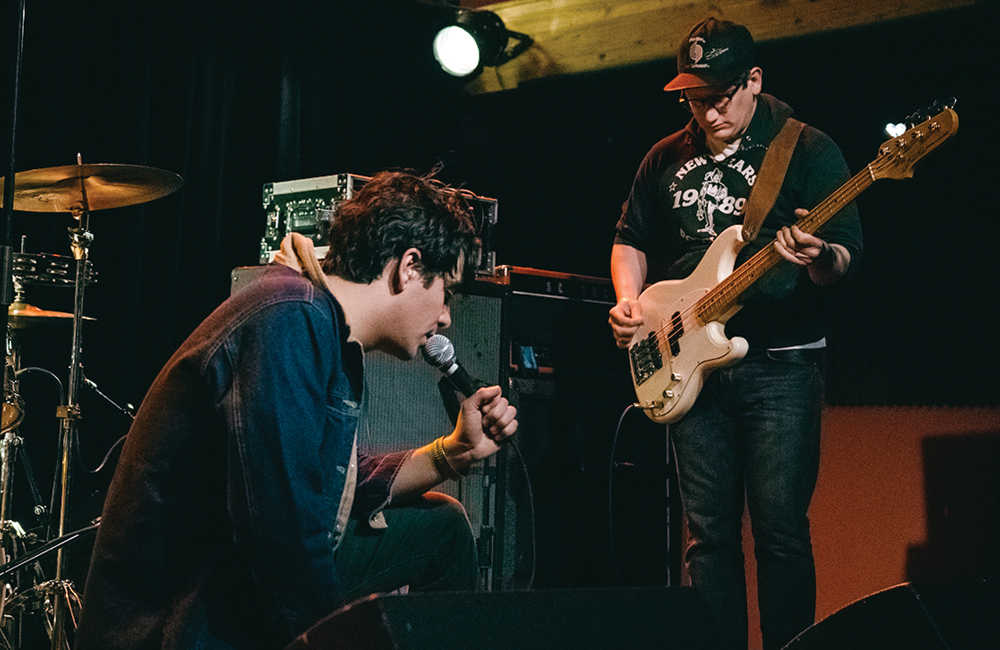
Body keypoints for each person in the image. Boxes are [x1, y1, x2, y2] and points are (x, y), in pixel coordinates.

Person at [76, 170, 518, 650]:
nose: (446, 316)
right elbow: (282, 533)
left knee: (442, 530)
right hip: (179, 622)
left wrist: (451, 454)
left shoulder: (317, 320)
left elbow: (321, 483)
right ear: (409, 266)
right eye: (446, 293)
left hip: (232, 591)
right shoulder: (288, 316)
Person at [608, 18, 862, 650]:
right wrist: (630, 302)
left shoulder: (806, 149)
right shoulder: (664, 156)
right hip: (689, 359)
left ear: (753, 80)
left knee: (779, 531)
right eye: (695, 97)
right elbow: (630, 238)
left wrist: (817, 254)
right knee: (707, 536)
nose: (708, 111)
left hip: (781, 366)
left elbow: (846, 257)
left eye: (720, 95)